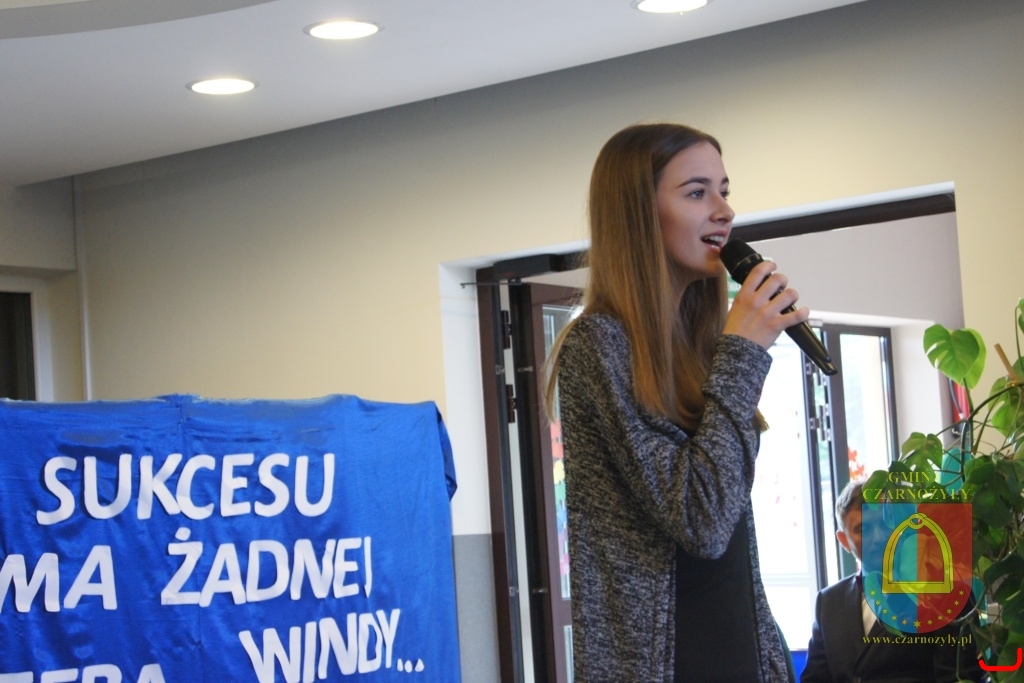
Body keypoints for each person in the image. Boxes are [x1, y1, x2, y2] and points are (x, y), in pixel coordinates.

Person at [546, 122, 806, 681]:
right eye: (696, 192)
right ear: (639, 214)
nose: (724, 211)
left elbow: (729, 529)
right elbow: (701, 520)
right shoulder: (600, 345)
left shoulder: (699, 347)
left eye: (724, 191)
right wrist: (743, 354)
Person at [800, 479, 983, 682]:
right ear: (844, 541)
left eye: (886, 524)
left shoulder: (945, 593)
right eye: (863, 529)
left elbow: (961, 677)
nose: (879, 537)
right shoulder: (828, 602)